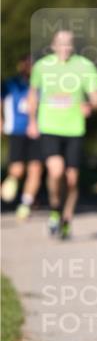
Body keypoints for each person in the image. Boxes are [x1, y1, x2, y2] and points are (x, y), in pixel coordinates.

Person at [27, 30, 97, 239]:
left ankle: (66, 219)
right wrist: (32, 122)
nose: (64, 48)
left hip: (74, 129)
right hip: (49, 127)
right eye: (60, 43)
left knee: (71, 180)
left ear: (73, 45)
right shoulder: (42, 67)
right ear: (53, 45)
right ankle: (54, 209)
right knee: (55, 170)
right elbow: (33, 95)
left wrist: (90, 105)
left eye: (68, 43)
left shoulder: (84, 66)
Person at [1, 55, 43, 219]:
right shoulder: (11, 84)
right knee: (17, 170)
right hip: (16, 130)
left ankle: (25, 204)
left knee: (36, 169)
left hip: (38, 131)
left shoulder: (43, 86)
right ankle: (8, 186)